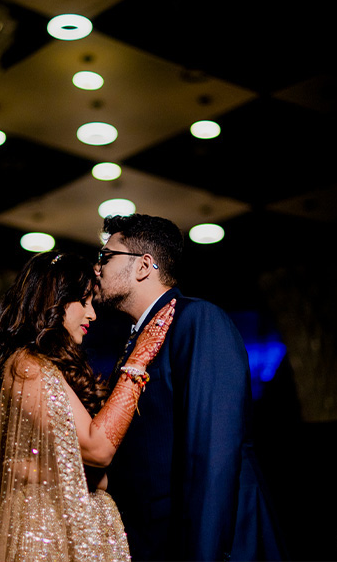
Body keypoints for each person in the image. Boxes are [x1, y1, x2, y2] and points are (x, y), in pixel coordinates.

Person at [95, 214, 284, 562]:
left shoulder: (197, 320)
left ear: (143, 266)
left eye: (106, 256)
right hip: (152, 540)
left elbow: (213, 453)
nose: (97, 268)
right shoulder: (136, 339)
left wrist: (202, 553)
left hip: (199, 543)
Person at [0, 250, 176, 562]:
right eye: (83, 301)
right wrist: (137, 362)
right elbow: (98, 449)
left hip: (75, 525)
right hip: (46, 532)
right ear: (54, 300)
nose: (93, 315)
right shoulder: (26, 366)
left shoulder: (50, 367)